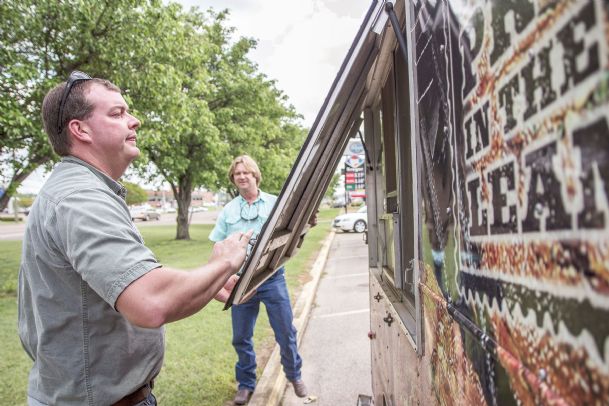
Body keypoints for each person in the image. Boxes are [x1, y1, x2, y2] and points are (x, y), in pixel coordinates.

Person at [18, 71, 253, 406]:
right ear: (79, 129)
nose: (135, 121)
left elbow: (133, 280)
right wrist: (225, 261)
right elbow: (150, 302)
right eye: (117, 114)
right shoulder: (80, 198)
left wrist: (210, 280)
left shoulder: (85, 190)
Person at [209, 155, 309, 405]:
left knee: (285, 331)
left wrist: (307, 225)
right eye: (237, 174)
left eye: (246, 172)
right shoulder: (229, 210)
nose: (242, 177)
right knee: (241, 337)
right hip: (240, 282)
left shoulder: (276, 204)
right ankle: (245, 384)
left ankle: (294, 375)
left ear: (256, 175)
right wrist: (221, 274)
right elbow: (218, 245)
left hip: (272, 278)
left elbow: (293, 235)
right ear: (233, 179)